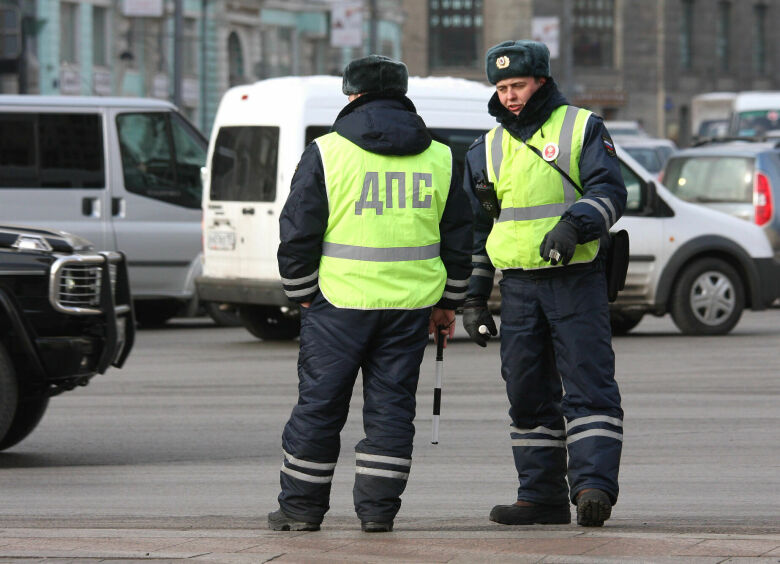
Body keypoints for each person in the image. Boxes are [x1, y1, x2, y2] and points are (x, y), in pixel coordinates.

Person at [268, 55, 473, 533]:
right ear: (403, 95)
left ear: (352, 96)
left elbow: (298, 229)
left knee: (319, 406)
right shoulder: (440, 156)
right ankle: (378, 513)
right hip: (410, 307)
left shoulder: (327, 151)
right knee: (392, 410)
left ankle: (300, 511)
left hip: (338, 303)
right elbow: (460, 235)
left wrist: (301, 291)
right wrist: (449, 302)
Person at [461, 40, 627, 527]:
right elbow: (480, 230)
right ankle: (541, 497)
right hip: (517, 288)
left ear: (540, 82)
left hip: (575, 279)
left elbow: (610, 191)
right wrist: (473, 298)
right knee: (527, 395)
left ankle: (593, 488)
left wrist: (576, 224)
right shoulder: (484, 148)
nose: (510, 95)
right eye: (502, 87)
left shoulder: (580, 126)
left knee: (588, 387)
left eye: (518, 85)